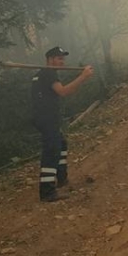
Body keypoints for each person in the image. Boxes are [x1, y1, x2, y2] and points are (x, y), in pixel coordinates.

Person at [31, 46, 94, 202]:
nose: (62, 62)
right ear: (50, 59)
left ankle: (62, 178)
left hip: (44, 118)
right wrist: (83, 76)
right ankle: (47, 192)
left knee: (61, 144)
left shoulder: (41, 74)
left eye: (63, 59)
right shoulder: (48, 73)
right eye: (59, 59)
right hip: (47, 119)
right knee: (52, 150)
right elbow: (63, 91)